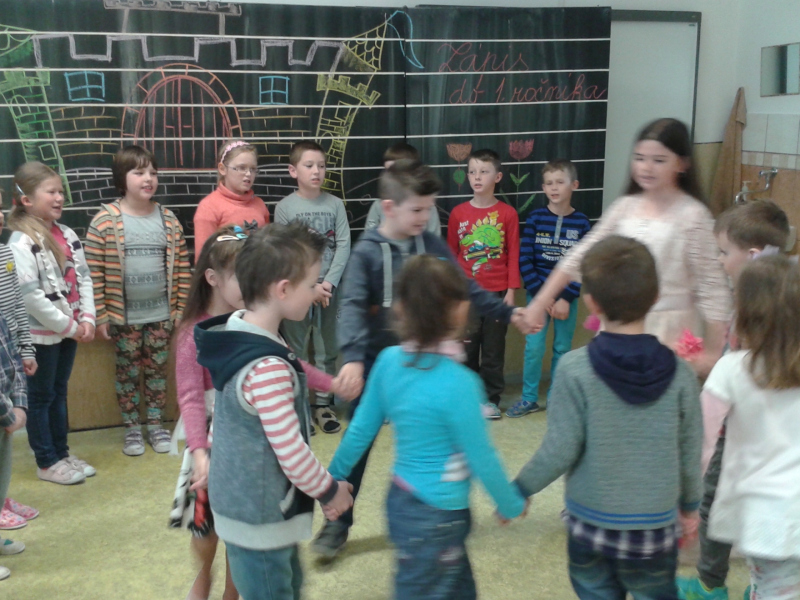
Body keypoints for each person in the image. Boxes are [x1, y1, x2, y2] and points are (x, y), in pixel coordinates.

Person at [310, 159, 529, 559]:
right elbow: (353, 305)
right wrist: (353, 358)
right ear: (389, 208)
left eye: (429, 209)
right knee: (360, 436)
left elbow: (463, 287)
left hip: (431, 359)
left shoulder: (429, 244)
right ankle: (337, 520)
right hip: (378, 365)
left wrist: (506, 311)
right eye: (417, 209)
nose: (425, 217)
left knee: (433, 436)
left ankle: (434, 501)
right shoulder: (367, 252)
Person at [514, 235, 703, 600]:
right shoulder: (681, 374)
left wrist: (521, 488)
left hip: (591, 527)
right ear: (655, 297)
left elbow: (559, 449)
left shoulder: (573, 370)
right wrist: (690, 507)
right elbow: (690, 451)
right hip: (654, 530)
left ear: (591, 303)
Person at [327, 254, 527, 599]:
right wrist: (509, 504)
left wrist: (331, 481)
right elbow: (482, 457)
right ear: (459, 311)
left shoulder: (388, 362)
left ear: (400, 309)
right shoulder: (463, 383)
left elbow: (359, 430)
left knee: (453, 585)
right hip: (441, 516)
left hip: (401, 502)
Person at [194, 222, 356, 600]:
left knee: (287, 586)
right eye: (312, 284)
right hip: (259, 520)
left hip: (248, 508)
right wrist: (330, 491)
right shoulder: (267, 366)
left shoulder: (237, 334)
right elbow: (292, 453)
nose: (317, 291)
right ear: (283, 290)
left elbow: (224, 418)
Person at [523, 118, 732, 377]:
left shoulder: (694, 215)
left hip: (670, 331)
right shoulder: (625, 207)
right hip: (619, 328)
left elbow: (713, 287)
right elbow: (579, 255)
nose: (646, 167)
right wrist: (539, 303)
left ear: (682, 163)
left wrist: (713, 353)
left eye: (659, 160)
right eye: (639, 158)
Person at [678, 199, 791, 600]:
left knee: (715, 504)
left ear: (753, 254)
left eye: (724, 252)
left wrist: (687, 494)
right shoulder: (787, 295)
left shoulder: (748, 316)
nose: (720, 261)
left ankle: (713, 585)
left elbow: (707, 431)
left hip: (742, 442)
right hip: (777, 452)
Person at [700, 255, 800, 600]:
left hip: (764, 515)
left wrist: (685, 501)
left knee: (776, 588)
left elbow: (702, 442)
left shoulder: (730, 369)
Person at [85, 146, 191, 456]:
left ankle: (155, 425)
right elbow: (93, 274)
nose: (148, 179)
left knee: (157, 373)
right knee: (127, 373)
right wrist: (101, 315)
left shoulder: (168, 220)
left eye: (153, 173)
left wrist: (180, 311)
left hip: (161, 316)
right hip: (123, 319)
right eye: (139, 172)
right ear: (122, 178)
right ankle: (132, 428)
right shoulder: (105, 221)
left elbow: (182, 270)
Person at [8, 162, 96, 485]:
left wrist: (87, 318)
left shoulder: (68, 234)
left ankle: (62, 453)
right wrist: (71, 327)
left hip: (69, 330)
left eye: (61, 191)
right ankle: (46, 461)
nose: (60, 198)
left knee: (59, 393)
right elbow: (31, 297)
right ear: (27, 200)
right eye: (51, 192)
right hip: (41, 336)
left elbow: (83, 278)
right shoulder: (21, 241)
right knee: (41, 397)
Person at [274, 141, 351, 434]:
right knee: (296, 350)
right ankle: (300, 407)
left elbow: (343, 244)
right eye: (309, 166)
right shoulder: (284, 208)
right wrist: (309, 287)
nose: (316, 171)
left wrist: (327, 283)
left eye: (321, 165)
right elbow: (285, 252)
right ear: (293, 170)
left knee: (327, 348)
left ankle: (323, 405)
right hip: (296, 291)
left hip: (331, 290)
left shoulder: (335, 204)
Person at [508, 159, 591, 417]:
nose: (554, 188)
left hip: (567, 300)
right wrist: (542, 297)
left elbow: (582, 265)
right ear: (543, 188)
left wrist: (565, 297)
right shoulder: (535, 218)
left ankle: (557, 398)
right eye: (549, 183)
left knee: (562, 349)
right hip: (536, 297)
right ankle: (529, 398)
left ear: (574, 185)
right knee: (533, 348)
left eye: (560, 182)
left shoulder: (582, 223)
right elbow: (525, 259)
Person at [447, 148, 520, 418]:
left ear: (497, 177)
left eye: (484, 172)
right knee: (466, 348)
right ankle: (469, 398)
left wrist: (511, 291)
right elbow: (451, 254)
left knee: (493, 350)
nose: (477, 177)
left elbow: (513, 253)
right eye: (472, 172)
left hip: (497, 294)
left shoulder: (507, 214)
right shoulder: (458, 213)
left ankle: (490, 399)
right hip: (467, 295)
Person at [0, 193, 38, 529]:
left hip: (8, 356)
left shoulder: (5, 253)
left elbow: (16, 307)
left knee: (6, 439)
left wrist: (26, 348)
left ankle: (3, 494)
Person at [192, 139, 270, 252]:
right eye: (241, 168)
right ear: (223, 169)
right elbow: (203, 256)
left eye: (253, 169)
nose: (248, 174)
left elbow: (268, 248)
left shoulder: (259, 204)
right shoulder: (209, 207)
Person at [0, 312, 28, 581]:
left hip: (5, 412)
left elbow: (14, 359)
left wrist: (19, 403)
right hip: (3, 414)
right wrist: (8, 416)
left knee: (1, 479)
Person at [364, 142, 441, 235]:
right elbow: (370, 234)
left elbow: (434, 238)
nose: (391, 177)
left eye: (396, 172)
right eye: (387, 171)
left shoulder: (427, 206)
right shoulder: (378, 205)